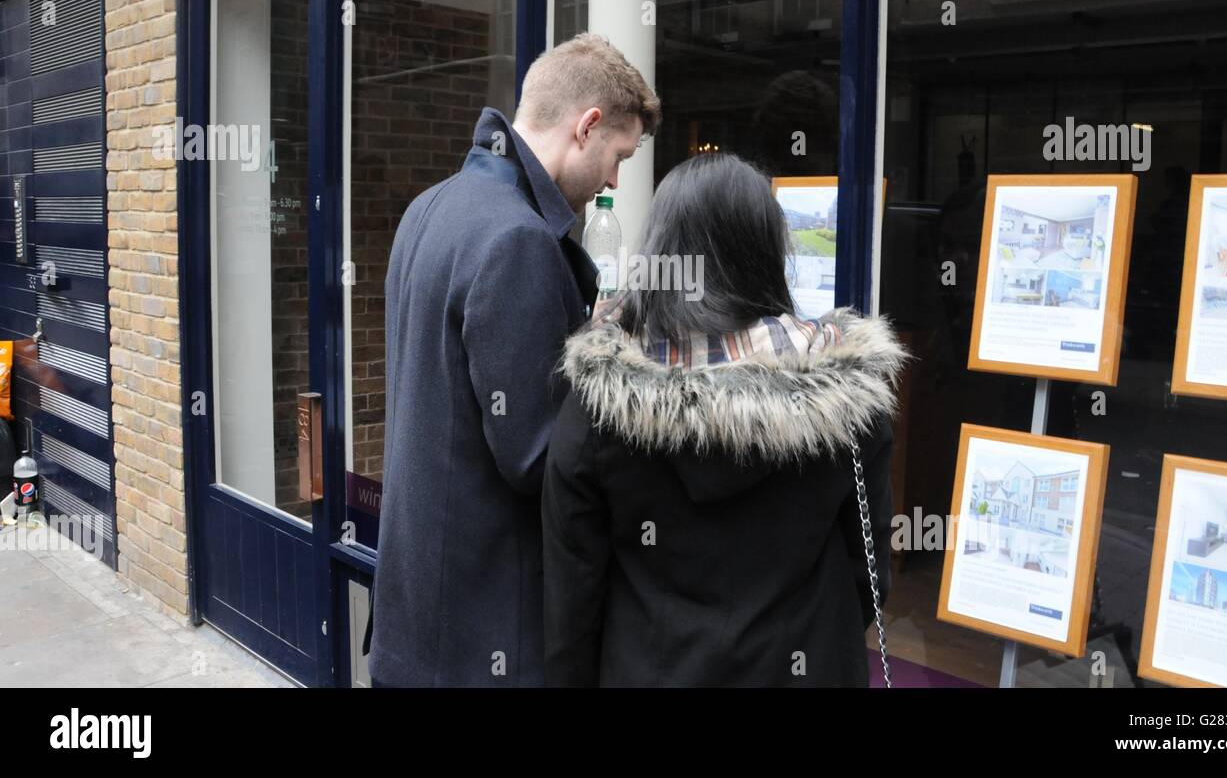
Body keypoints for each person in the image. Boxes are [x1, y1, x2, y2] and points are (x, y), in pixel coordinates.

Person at [542, 152, 905, 687]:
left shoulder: (599, 408)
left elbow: (572, 603)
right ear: (767, 252)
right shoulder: (845, 397)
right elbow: (867, 573)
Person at [365, 34, 660, 687]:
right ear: (586, 127)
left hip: (413, 625)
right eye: (619, 156)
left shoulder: (428, 208)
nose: (614, 179)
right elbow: (537, 457)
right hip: (482, 641)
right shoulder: (518, 239)